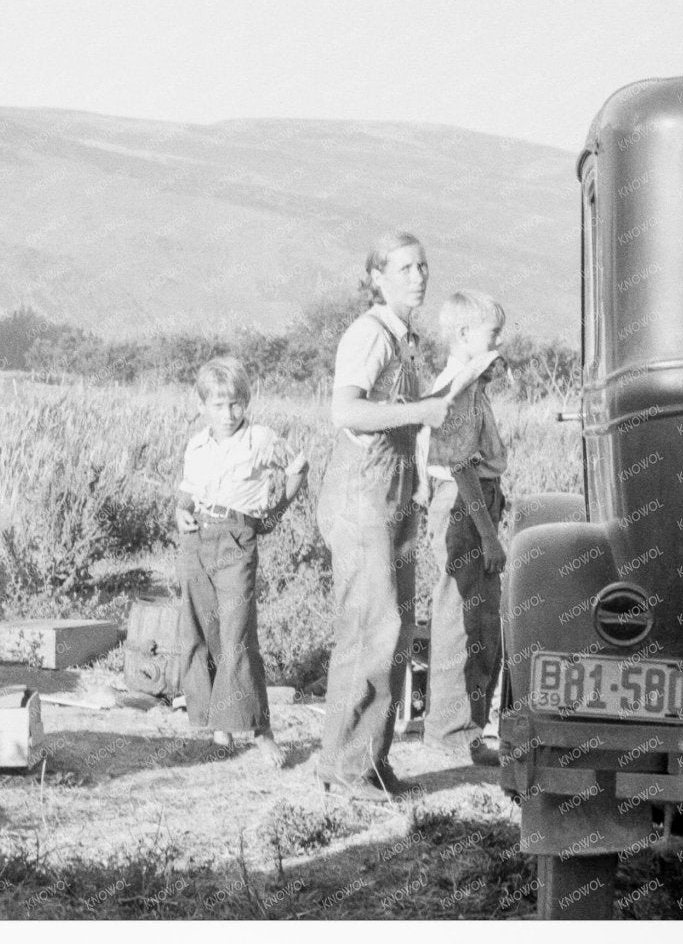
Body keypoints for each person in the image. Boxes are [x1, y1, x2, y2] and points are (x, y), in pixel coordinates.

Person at [314, 232, 452, 802]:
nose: (418, 275)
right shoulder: (368, 334)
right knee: (370, 629)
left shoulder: (405, 340)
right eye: (403, 267)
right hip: (361, 495)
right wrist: (424, 410)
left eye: (422, 265)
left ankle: (369, 762)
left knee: (392, 631)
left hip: (391, 493)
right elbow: (344, 409)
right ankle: (345, 768)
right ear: (376, 276)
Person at [174, 355, 308, 768]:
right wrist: (180, 510)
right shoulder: (196, 444)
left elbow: (299, 467)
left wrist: (274, 512)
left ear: (245, 402)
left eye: (235, 404)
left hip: (237, 537)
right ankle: (219, 728)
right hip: (198, 539)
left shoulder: (261, 439)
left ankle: (261, 730)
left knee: (238, 632)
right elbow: (188, 491)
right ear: (202, 407)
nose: (228, 413)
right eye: (218, 405)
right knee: (202, 628)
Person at [414, 290, 511, 765]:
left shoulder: (471, 384)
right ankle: (451, 731)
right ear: (466, 334)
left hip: (475, 507)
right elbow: (461, 467)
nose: (498, 342)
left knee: (479, 619)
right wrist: (488, 533)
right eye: (493, 333)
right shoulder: (457, 386)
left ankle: (464, 729)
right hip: (464, 507)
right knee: (461, 619)